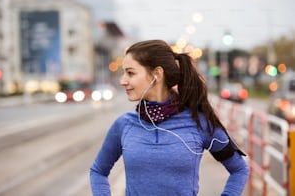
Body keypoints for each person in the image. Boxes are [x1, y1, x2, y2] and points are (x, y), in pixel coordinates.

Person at [90, 39, 249, 196]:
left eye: (130, 73)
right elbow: (98, 171)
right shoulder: (124, 124)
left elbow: (239, 169)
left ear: (157, 74)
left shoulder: (199, 122)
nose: (122, 81)